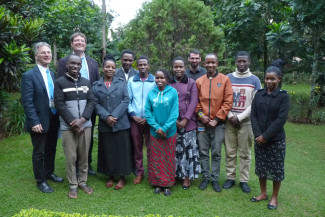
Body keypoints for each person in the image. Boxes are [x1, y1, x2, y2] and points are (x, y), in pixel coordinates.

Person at [21, 42, 63, 193]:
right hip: (39, 121)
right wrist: (34, 121)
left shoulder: (52, 74)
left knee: (51, 147)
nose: (47, 55)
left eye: (49, 52)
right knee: (39, 151)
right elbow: (27, 101)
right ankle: (41, 181)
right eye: (43, 52)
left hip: (53, 118)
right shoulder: (29, 76)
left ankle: (49, 172)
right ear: (36, 56)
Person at [57, 32, 99, 175]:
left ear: (85, 44)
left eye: (82, 40)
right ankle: (73, 165)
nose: (79, 42)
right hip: (71, 105)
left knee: (88, 135)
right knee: (73, 136)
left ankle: (87, 164)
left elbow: (97, 83)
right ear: (72, 43)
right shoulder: (63, 61)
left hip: (89, 105)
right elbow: (60, 84)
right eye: (76, 40)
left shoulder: (93, 62)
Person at [54, 54, 95, 199]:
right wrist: (74, 123)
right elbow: (59, 104)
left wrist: (82, 120)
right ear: (67, 65)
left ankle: (82, 182)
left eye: (78, 64)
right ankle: (73, 185)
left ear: (81, 66)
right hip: (68, 127)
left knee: (84, 156)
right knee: (71, 157)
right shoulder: (59, 82)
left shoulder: (86, 82)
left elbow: (91, 101)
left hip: (86, 125)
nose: (75, 66)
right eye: (72, 63)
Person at [250, 65, 290, 210]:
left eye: (272, 79)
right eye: (267, 78)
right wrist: (258, 135)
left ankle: (274, 197)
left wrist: (266, 136)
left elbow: (281, 119)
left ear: (279, 79)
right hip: (259, 138)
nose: (269, 81)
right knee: (261, 167)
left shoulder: (283, 96)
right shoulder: (259, 94)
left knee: (276, 169)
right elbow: (253, 115)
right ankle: (263, 193)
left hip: (275, 140)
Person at [223, 51, 262, 193]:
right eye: (239, 61)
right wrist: (230, 116)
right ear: (235, 62)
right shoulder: (228, 78)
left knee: (245, 153)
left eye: (244, 61)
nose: (241, 64)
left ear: (249, 62)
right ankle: (230, 178)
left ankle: (244, 180)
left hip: (246, 122)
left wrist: (239, 118)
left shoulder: (255, 80)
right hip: (229, 121)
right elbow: (223, 100)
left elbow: (256, 103)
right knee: (230, 151)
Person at [92, 54, 132, 190]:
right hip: (105, 123)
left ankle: (121, 177)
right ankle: (109, 175)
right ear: (102, 68)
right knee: (107, 150)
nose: (110, 69)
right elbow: (95, 104)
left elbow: (126, 100)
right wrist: (106, 117)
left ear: (116, 69)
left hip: (120, 122)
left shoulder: (121, 82)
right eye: (107, 67)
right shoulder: (96, 85)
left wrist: (114, 116)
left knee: (121, 150)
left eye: (113, 67)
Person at [196, 53, 233, 192]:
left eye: (213, 62)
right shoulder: (199, 81)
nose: (210, 65)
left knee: (216, 152)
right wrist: (201, 116)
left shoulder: (225, 80)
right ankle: (205, 178)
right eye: (208, 63)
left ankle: (215, 179)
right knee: (203, 151)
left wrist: (217, 119)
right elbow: (196, 102)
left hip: (218, 124)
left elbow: (228, 101)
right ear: (204, 64)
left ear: (217, 64)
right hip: (202, 124)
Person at [145, 69, 179, 196]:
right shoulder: (151, 93)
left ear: (167, 79)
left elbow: (174, 112)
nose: (159, 80)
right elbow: (148, 112)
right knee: (156, 158)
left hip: (169, 132)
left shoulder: (173, 92)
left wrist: (164, 128)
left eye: (162, 78)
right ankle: (157, 183)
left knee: (168, 158)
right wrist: (156, 127)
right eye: (157, 78)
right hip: (155, 132)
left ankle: (168, 184)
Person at [169, 57, 200, 190]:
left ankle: (186, 178)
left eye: (181, 67)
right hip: (172, 122)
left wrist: (186, 119)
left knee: (188, 151)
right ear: (172, 68)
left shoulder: (191, 83)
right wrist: (174, 120)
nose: (178, 69)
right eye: (176, 67)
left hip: (188, 123)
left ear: (185, 68)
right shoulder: (168, 83)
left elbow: (194, 102)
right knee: (175, 150)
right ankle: (176, 175)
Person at [127, 55, 155, 184]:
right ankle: (139, 172)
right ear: (137, 66)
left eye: (145, 64)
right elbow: (128, 99)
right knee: (137, 147)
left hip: (150, 120)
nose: (143, 67)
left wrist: (149, 117)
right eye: (140, 65)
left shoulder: (154, 80)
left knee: (151, 147)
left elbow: (156, 101)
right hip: (135, 119)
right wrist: (133, 114)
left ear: (148, 65)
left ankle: (151, 172)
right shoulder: (132, 81)